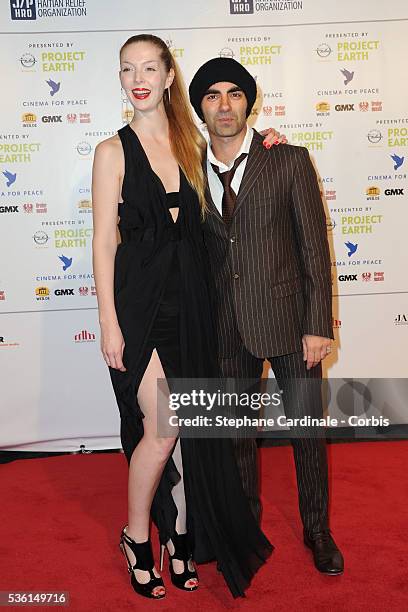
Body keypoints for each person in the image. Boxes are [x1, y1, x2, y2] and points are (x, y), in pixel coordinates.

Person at [92, 35, 275, 601]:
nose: (138, 77)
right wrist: (109, 322)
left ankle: (179, 533)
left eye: (150, 67)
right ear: (120, 78)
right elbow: (101, 242)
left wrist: (269, 145)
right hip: (139, 308)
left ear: (170, 76)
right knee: (163, 426)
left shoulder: (192, 142)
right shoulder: (111, 151)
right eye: (128, 69)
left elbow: (237, 171)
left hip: (193, 304)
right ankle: (135, 536)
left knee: (190, 429)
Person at [188, 57, 344, 575]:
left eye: (234, 93)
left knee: (306, 431)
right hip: (225, 327)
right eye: (212, 95)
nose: (224, 104)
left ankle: (317, 528)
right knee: (236, 435)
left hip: (289, 320)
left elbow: (313, 249)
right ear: (200, 108)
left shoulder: (288, 159)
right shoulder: (188, 169)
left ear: (248, 101)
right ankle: (244, 527)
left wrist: (318, 324)